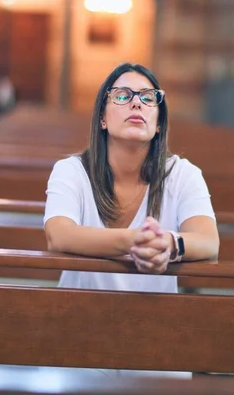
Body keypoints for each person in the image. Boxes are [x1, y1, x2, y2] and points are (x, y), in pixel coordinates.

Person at [44, 62, 219, 379]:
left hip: (156, 332)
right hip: (78, 330)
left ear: (159, 123)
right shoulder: (71, 171)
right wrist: (133, 240)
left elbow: (209, 241)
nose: (137, 102)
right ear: (102, 117)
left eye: (148, 97)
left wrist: (169, 243)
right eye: (122, 96)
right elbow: (59, 234)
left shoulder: (183, 174)